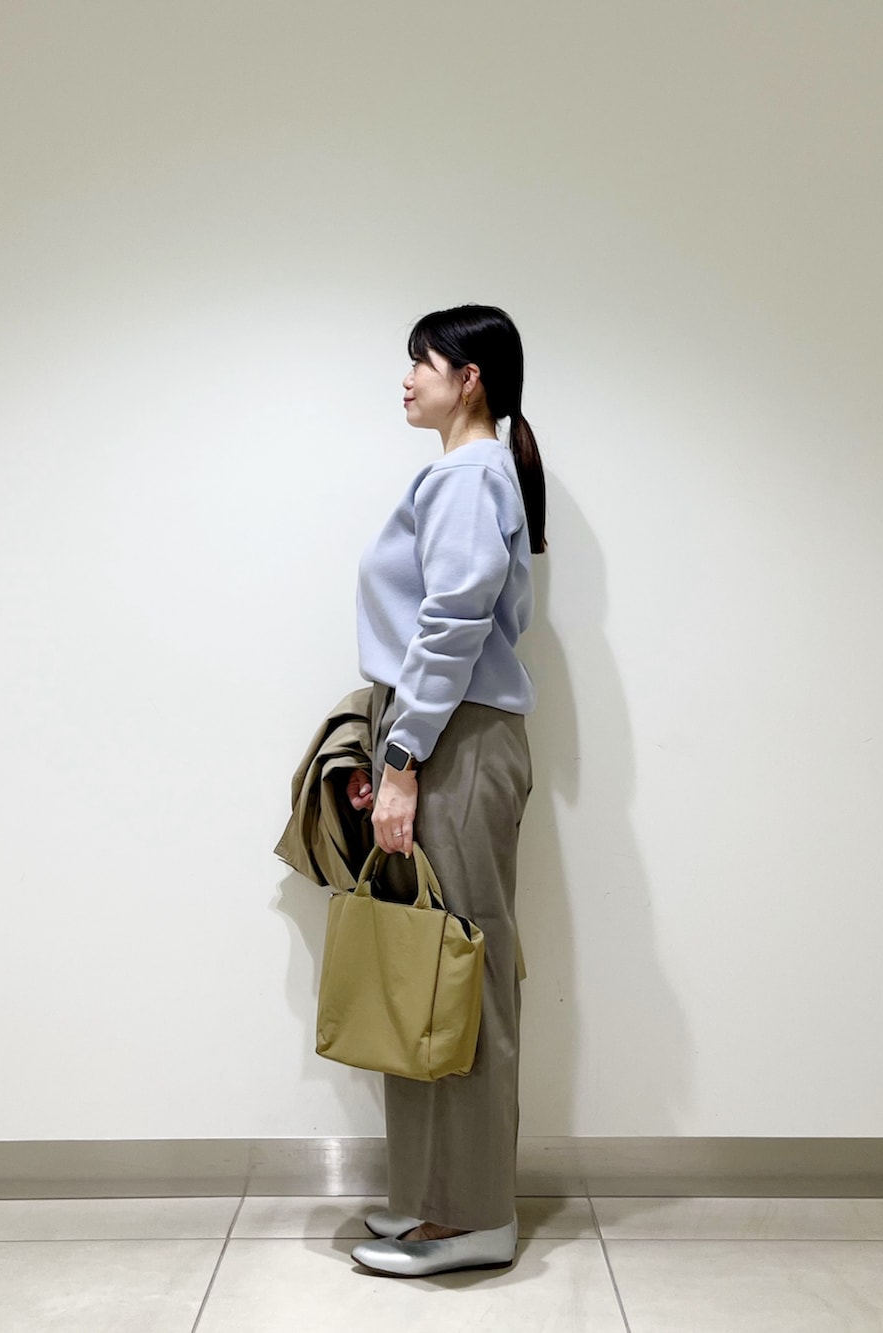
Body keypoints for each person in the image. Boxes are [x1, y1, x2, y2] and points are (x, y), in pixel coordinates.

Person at [345, 304, 546, 1277]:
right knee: (432, 970)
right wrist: (398, 746)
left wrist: (403, 756)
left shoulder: (470, 475)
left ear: (470, 378)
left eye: (420, 362)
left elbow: (454, 618)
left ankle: (473, 1216)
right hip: (445, 734)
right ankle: (432, 1198)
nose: (406, 379)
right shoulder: (468, 472)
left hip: (455, 738)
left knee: (461, 976)